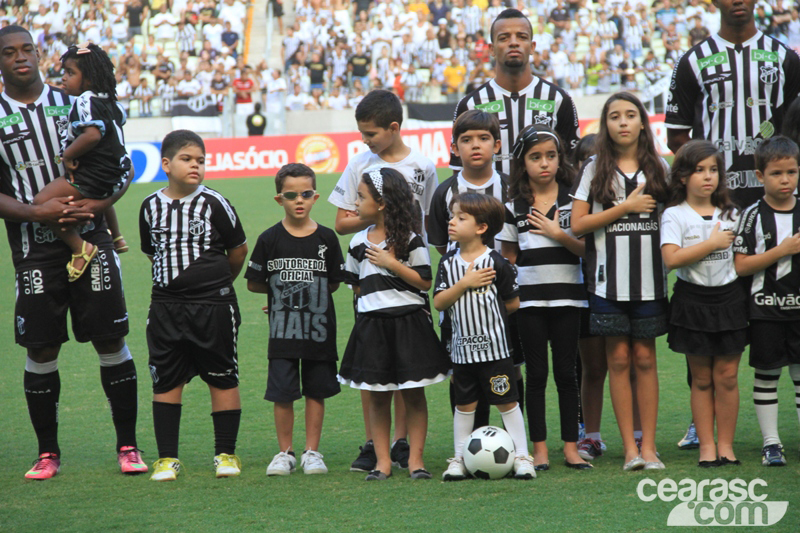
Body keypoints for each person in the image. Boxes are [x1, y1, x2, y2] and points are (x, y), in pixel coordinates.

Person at [0, 25, 144, 480]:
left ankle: (128, 445)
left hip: (92, 237)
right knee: (41, 346)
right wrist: (33, 213)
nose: (20, 58)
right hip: (32, 245)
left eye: (27, 50)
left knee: (110, 338)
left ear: (40, 54)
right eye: (9, 53)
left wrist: (102, 204)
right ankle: (47, 452)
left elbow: (120, 162)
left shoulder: (76, 97)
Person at [327, 90, 438, 474]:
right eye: (361, 134)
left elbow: (429, 222)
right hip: (372, 291)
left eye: (370, 134)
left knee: (410, 375)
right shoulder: (358, 164)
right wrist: (379, 219)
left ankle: (405, 444)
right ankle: (378, 449)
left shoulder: (423, 166)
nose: (365, 140)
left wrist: (401, 226)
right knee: (374, 377)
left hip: (408, 290)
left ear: (393, 128)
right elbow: (342, 223)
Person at [140, 130, 249, 481]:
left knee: (222, 377)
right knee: (166, 380)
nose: (196, 166)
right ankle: (167, 459)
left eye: (201, 160)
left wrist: (215, 283)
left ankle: (225, 454)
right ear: (167, 164)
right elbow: (151, 252)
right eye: (187, 159)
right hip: (166, 307)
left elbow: (238, 251)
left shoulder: (216, 203)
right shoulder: (149, 206)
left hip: (213, 305)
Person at [571, 92, 670, 471]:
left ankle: (649, 447)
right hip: (606, 283)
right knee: (618, 358)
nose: (623, 122)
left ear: (643, 122)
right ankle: (630, 449)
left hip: (650, 283)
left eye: (631, 115)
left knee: (645, 358)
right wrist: (624, 208)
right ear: (605, 125)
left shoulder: (659, 166)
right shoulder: (594, 168)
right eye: (615, 116)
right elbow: (578, 225)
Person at [338, 168, 451, 481]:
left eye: (361, 197)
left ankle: (415, 460)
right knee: (377, 395)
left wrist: (391, 263)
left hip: (409, 325)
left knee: (414, 394)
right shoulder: (357, 242)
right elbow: (355, 285)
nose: (356, 202)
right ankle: (382, 461)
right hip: (373, 326)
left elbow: (424, 282)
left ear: (382, 203)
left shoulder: (412, 241)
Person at [498, 125, 590, 471]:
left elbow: (586, 250)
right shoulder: (513, 206)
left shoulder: (574, 199)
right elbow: (507, 257)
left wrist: (557, 234)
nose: (544, 163)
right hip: (530, 304)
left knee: (567, 374)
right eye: (535, 157)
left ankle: (570, 447)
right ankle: (539, 449)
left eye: (551, 156)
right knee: (536, 376)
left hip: (569, 299)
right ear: (523, 161)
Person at [246, 163, 345, 476]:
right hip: (283, 331)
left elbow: (332, 282)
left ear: (315, 196)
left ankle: (312, 452)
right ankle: (285, 452)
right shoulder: (269, 238)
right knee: (283, 392)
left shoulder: (327, 238)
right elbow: (254, 281)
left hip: (318, 330)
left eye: (305, 194)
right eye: (291, 195)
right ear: (279, 199)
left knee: (316, 391)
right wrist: (279, 297)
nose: (299, 200)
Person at [434, 193, 535, 481]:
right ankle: (459, 459)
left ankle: (521, 457)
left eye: (460, 218)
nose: (451, 222)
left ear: (481, 228)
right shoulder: (447, 263)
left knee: (507, 402)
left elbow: (513, 302)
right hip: (462, 352)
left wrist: (489, 318)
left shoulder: (497, 263)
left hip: (495, 352)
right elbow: (439, 302)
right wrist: (465, 284)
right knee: (464, 406)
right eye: (452, 216)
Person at [666, 0, 800, 210]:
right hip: (716, 202)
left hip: (777, 200)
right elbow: (676, 137)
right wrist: (707, 175)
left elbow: (796, 132)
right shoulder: (691, 61)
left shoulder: (786, 58)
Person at [661, 140, 746, 468]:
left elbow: (740, 261)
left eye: (713, 170)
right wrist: (711, 243)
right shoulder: (674, 215)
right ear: (682, 176)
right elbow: (671, 259)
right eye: (699, 170)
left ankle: (726, 445)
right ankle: (706, 446)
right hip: (692, 300)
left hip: (730, 300)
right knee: (701, 378)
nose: (707, 177)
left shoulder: (732, 213)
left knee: (727, 375)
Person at [428, 110, 506, 429]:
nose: (475, 145)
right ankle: (473, 444)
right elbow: (439, 245)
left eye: (483, 138)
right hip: (459, 305)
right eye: (466, 139)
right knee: (463, 374)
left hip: (501, 302)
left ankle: (508, 441)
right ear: (454, 147)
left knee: (507, 371)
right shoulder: (444, 193)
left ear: (496, 145)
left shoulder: (511, 187)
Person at [31, 43, 131, 282]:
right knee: (102, 197)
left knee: (41, 202)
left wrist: (68, 155)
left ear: (89, 79)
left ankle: (79, 247)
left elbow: (92, 135)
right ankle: (117, 236)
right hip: (116, 174)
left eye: (70, 73)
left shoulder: (85, 100)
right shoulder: (113, 103)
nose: (63, 78)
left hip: (93, 175)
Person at [733, 135, 800, 467]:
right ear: (760, 176)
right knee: (767, 374)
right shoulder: (752, 215)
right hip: (766, 310)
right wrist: (782, 251)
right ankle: (771, 443)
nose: (785, 180)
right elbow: (741, 265)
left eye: (791, 172)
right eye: (776, 173)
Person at [451, 7, 578, 174]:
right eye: (504, 38)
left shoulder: (559, 99)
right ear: (491, 49)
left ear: (532, 47)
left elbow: (572, 166)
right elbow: (458, 173)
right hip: (490, 200)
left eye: (522, 37)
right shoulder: (470, 105)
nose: (513, 42)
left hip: (544, 200)